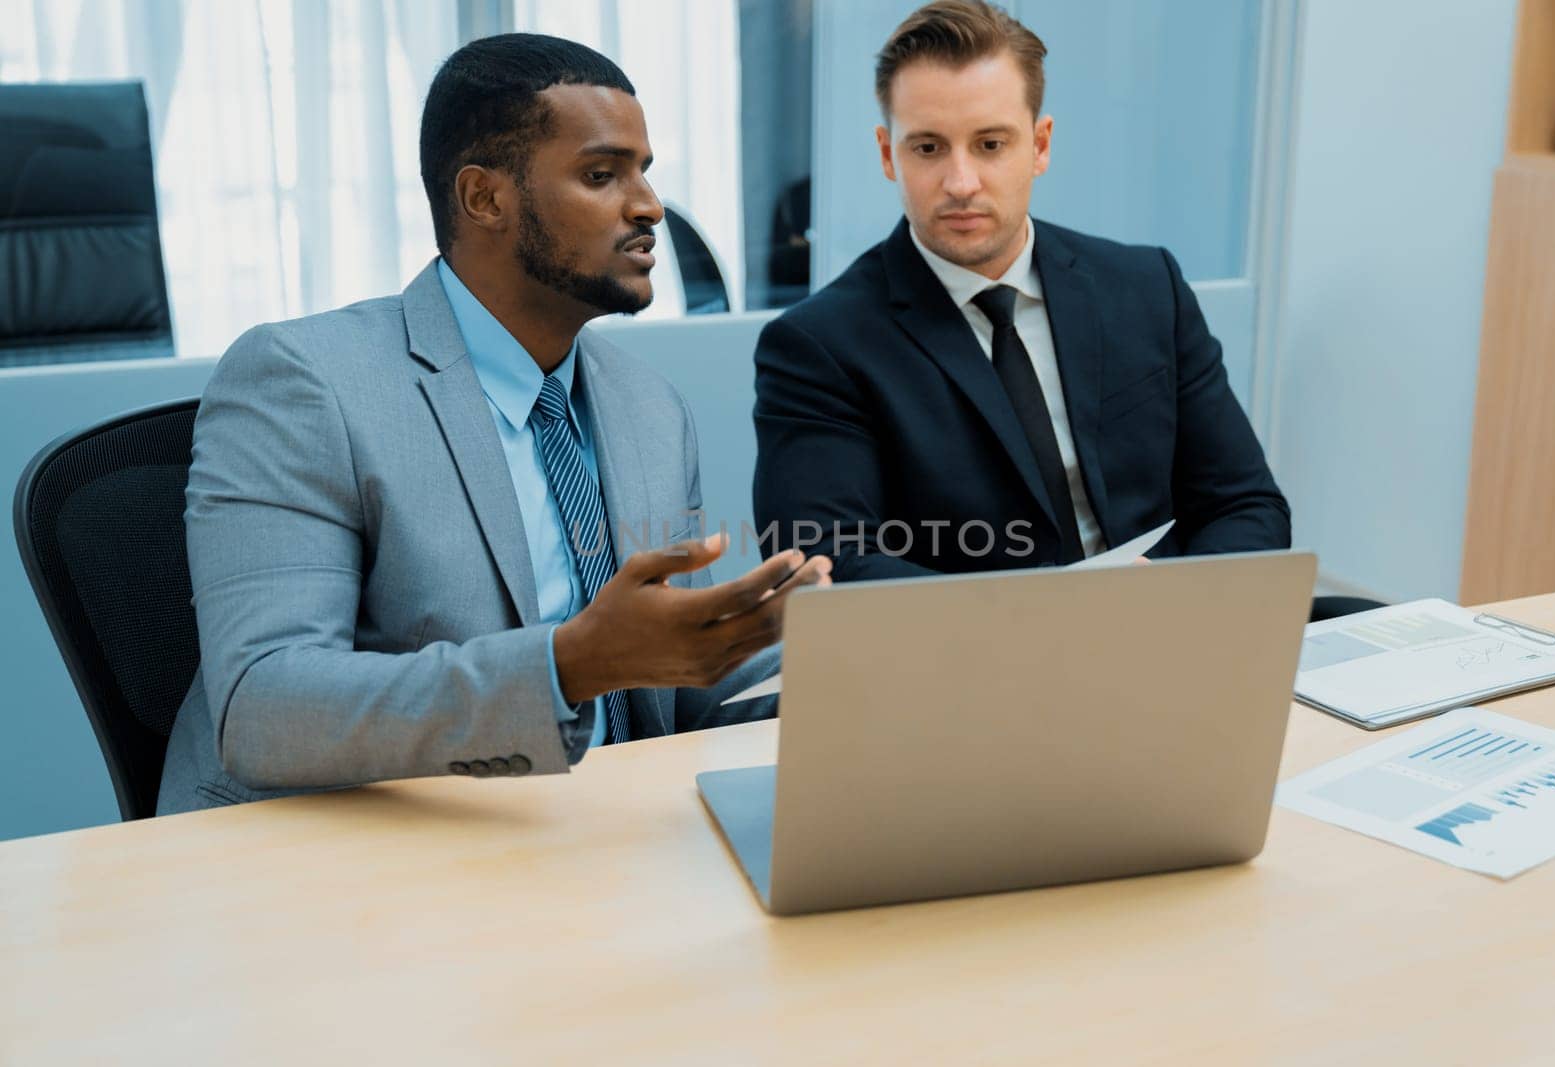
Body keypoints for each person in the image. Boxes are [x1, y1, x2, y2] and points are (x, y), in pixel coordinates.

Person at [157, 34, 830, 816]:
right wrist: (563, 667)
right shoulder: (303, 384)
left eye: (646, 172)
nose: (647, 205)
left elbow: (674, 695)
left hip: (595, 842)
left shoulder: (648, 406)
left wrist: (829, 667)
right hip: (359, 864)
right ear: (484, 198)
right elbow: (265, 708)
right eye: (602, 174)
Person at [752, 0, 1289, 583]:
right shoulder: (819, 345)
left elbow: (1245, 505)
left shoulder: (1146, 287)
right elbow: (823, 560)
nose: (961, 183)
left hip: (1172, 628)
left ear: (1040, 145)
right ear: (889, 155)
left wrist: (1175, 601)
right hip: (964, 661)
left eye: (990, 144)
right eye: (928, 148)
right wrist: (1034, 625)